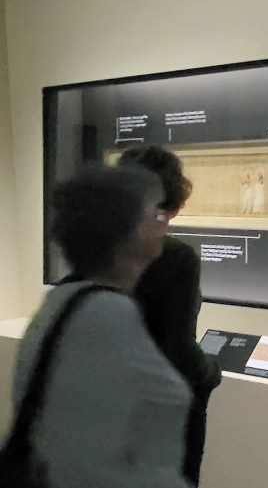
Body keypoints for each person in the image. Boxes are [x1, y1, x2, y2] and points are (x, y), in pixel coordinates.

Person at [10, 165, 192, 488]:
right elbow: (87, 457)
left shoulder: (65, 300)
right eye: (155, 212)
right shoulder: (105, 315)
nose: (163, 223)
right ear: (127, 230)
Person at [119, 145, 222, 486]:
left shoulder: (100, 250)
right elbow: (179, 349)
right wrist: (210, 372)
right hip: (164, 409)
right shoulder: (177, 258)